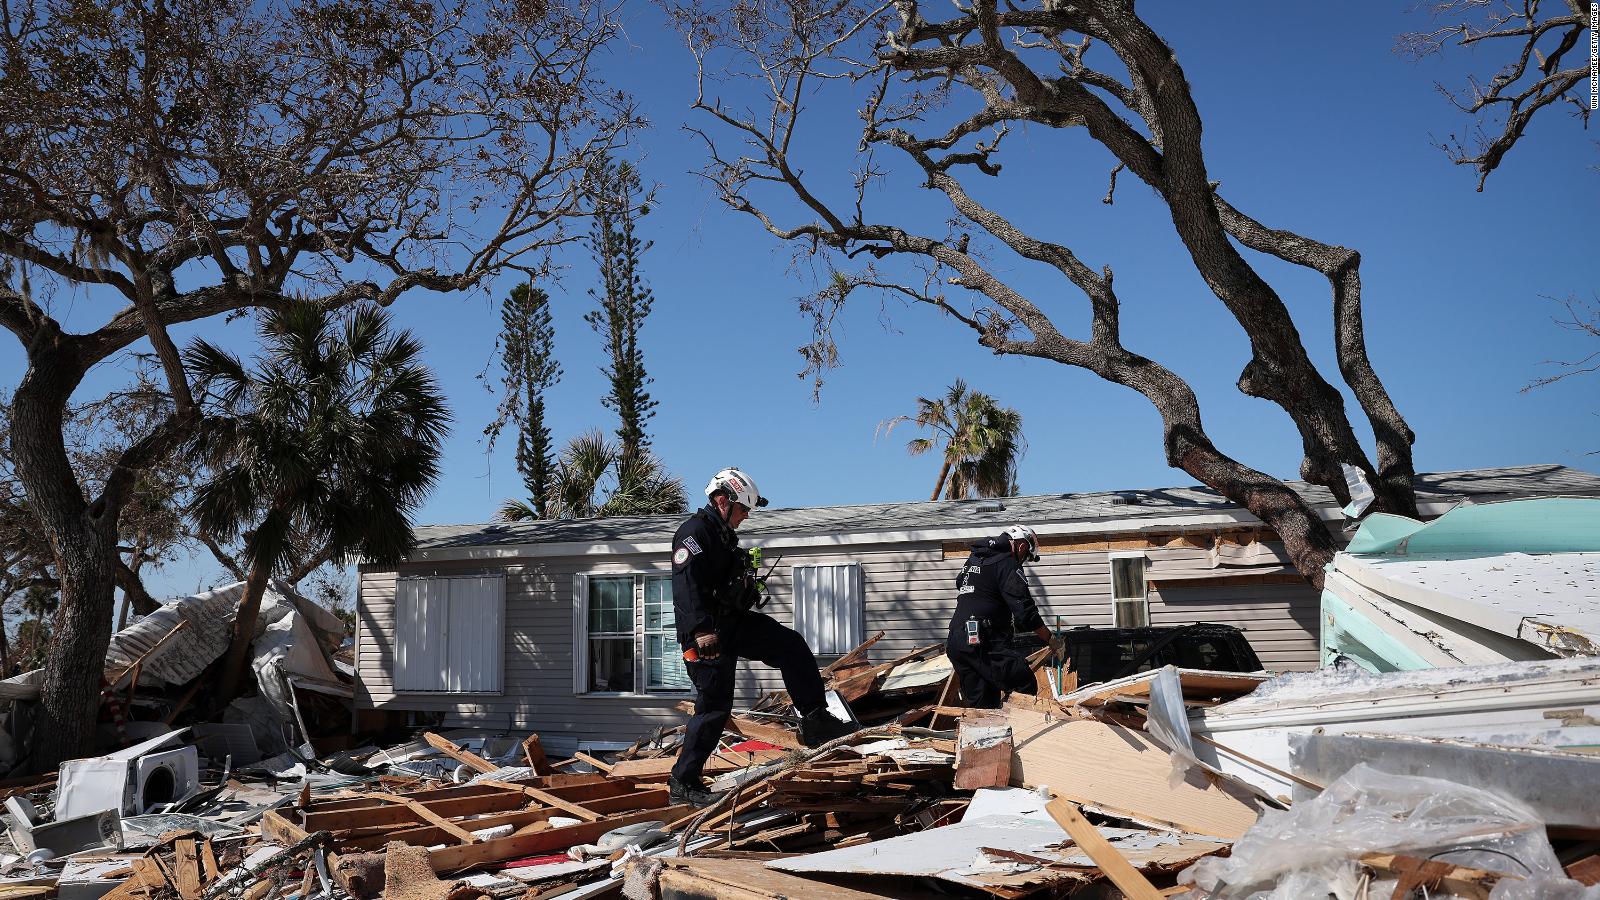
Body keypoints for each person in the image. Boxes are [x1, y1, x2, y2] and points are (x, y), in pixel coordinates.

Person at [667, 467, 857, 807]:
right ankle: (683, 781)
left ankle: (815, 721)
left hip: (731, 623)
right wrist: (700, 630)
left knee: (790, 644)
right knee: (713, 707)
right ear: (722, 501)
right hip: (707, 635)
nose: (745, 517)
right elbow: (686, 585)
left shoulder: (723, 536)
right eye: (743, 510)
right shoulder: (693, 533)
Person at [946, 524, 1063, 708]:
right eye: (1026, 557)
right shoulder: (1008, 563)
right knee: (1024, 682)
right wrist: (1050, 639)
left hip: (956, 640)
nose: (1022, 562)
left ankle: (986, 735)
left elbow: (960, 583)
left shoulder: (975, 558)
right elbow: (1025, 613)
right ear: (1022, 547)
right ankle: (1024, 733)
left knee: (983, 703)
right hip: (981, 640)